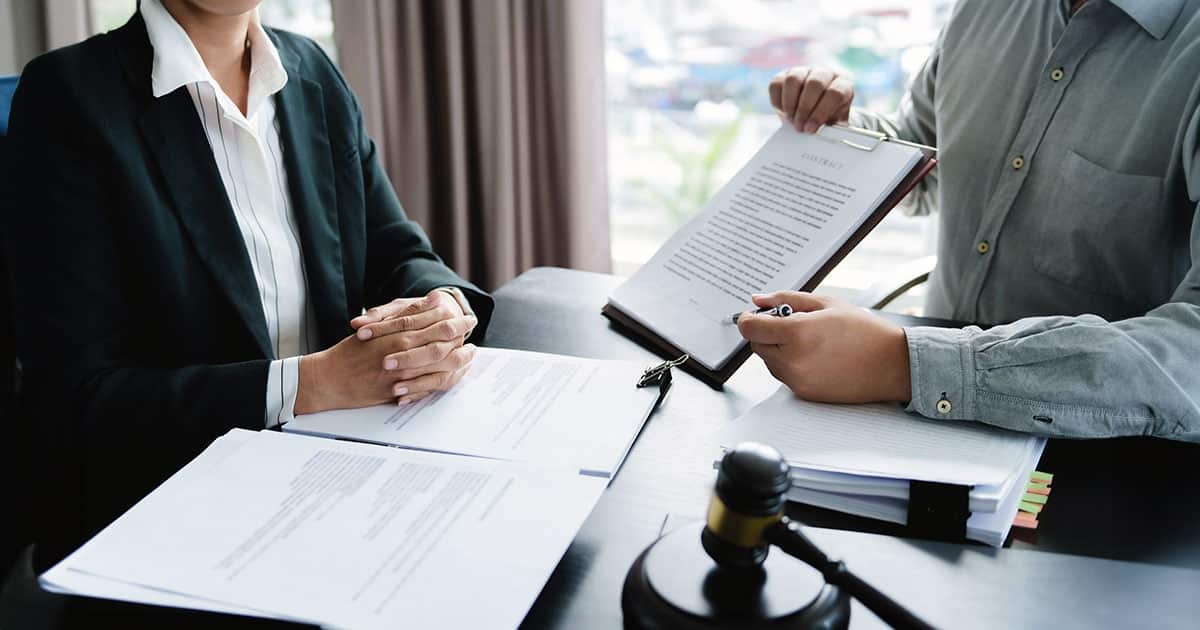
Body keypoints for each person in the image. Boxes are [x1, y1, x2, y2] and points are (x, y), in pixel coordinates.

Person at [3, 0, 492, 562]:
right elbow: (77, 399)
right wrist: (311, 385)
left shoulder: (309, 68)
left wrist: (441, 308)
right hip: (175, 514)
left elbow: (396, 250)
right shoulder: (69, 96)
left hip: (343, 476)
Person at [737, 0, 1200, 442]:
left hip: (1102, 452)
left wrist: (904, 364)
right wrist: (831, 128)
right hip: (914, 409)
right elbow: (923, 164)